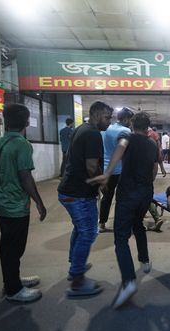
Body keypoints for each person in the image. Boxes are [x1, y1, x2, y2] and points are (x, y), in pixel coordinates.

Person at [87, 112, 159, 309]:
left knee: (120, 237)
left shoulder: (127, 137)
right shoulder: (152, 144)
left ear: (131, 124)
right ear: (148, 126)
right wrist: (146, 184)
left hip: (128, 193)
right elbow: (154, 170)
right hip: (146, 192)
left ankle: (128, 282)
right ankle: (144, 261)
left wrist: (108, 172)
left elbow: (121, 147)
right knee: (138, 225)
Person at [0, 103, 47, 303]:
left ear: (7, 121)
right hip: (15, 206)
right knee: (14, 247)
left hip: (0, 202)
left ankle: (11, 280)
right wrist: (39, 201)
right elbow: (25, 176)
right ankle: (13, 289)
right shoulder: (22, 144)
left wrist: (2, 185)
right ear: (27, 122)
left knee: (7, 244)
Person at [57, 101, 113, 297]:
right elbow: (91, 167)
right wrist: (103, 182)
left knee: (80, 229)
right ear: (96, 114)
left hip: (69, 190)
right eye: (107, 117)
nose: (109, 122)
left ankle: (75, 264)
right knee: (89, 232)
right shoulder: (92, 133)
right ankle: (77, 280)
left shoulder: (82, 128)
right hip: (78, 193)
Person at [98, 107, 134, 233]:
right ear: (125, 119)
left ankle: (101, 223)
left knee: (106, 197)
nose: (131, 122)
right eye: (130, 119)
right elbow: (126, 149)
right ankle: (120, 222)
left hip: (106, 168)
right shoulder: (125, 130)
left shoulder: (107, 129)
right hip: (120, 169)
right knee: (122, 197)